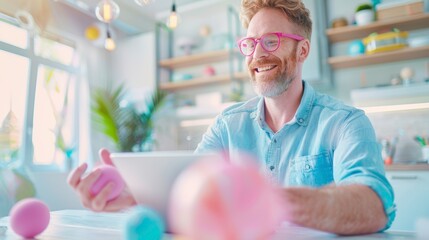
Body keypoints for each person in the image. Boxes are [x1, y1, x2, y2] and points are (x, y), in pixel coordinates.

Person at [68, 0, 395, 235]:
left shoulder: (345, 123)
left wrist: (262, 199)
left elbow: (374, 205)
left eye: (272, 41)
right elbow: (189, 198)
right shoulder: (227, 126)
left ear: (303, 50)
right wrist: (131, 198)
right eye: (250, 44)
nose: (257, 54)